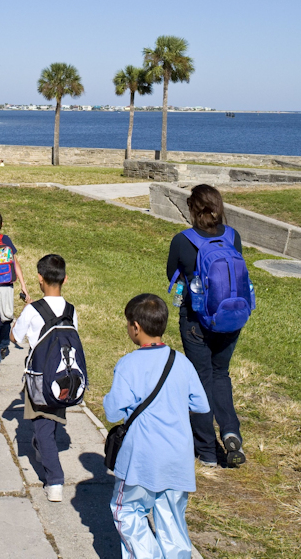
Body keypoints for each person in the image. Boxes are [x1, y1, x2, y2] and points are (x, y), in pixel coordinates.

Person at [104, 294, 209, 559]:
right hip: (178, 457)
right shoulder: (182, 362)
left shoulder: (128, 365)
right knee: (172, 517)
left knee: (127, 512)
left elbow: (112, 411)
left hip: (141, 459)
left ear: (136, 327)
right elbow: (200, 404)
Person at [167, 184, 247, 468]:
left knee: (201, 380)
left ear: (193, 209)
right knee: (221, 375)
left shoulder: (183, 240)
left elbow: (172, 275)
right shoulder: (232, 236)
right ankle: (230, 432)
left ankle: (207, 452)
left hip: (196, 320)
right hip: (230, 318)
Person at [10, 254, 77, 502]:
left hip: (39, 377)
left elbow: (16, 338)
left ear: (39, 278)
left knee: (43, 426)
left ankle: (55, 480)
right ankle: (41, 447)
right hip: (65, 377)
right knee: (52, 421)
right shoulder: (71, 310)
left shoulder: (32, 309)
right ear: (65, 279)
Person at [0, 209, 31, 377]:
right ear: (1, 225)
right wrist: (23, 285)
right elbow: (15, 263)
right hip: (8, 285)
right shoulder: (6, 240)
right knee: (7, 316)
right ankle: (3, 345)